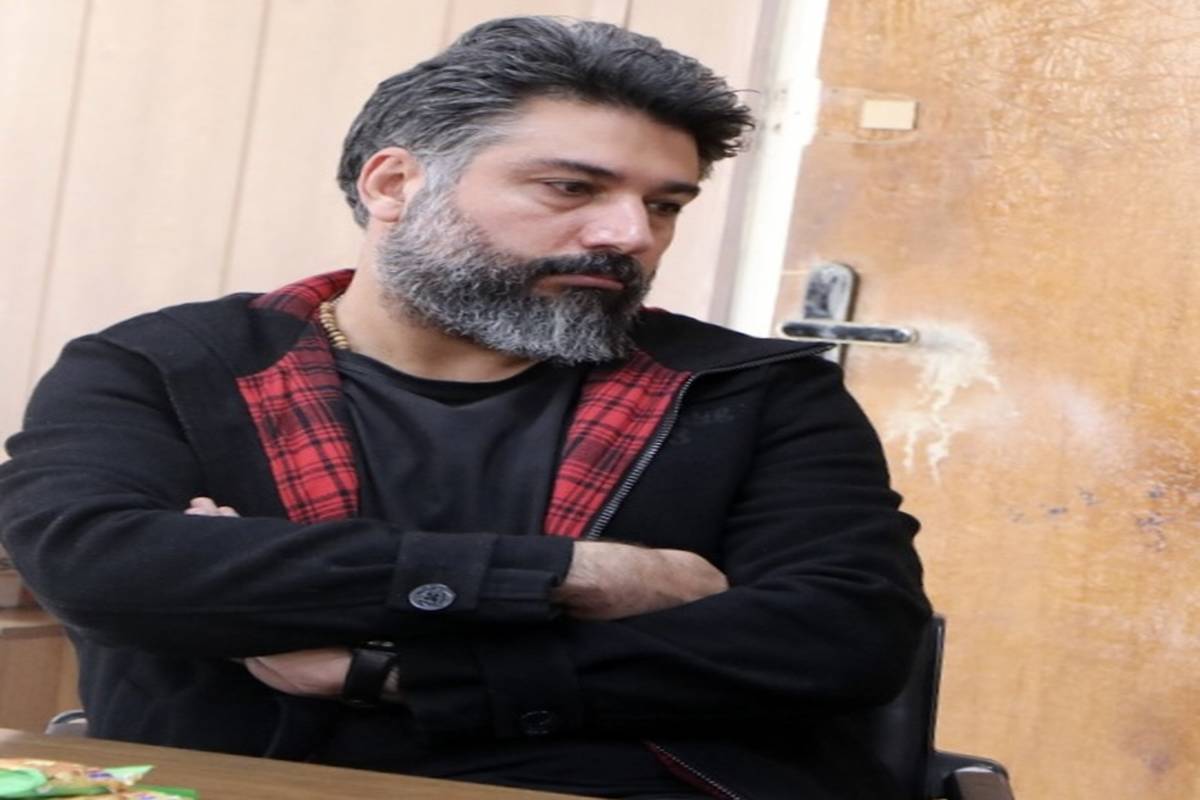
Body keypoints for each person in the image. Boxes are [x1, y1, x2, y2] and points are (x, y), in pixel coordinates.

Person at [0, 16, 930, 800]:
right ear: (394, 185)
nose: (629, 234)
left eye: (665, 205)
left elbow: (844, 636)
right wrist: (573, 575)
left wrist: (393, 667)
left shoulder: (749, 388)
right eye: (572, 187)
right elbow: (97, 564)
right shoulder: (166, 366)